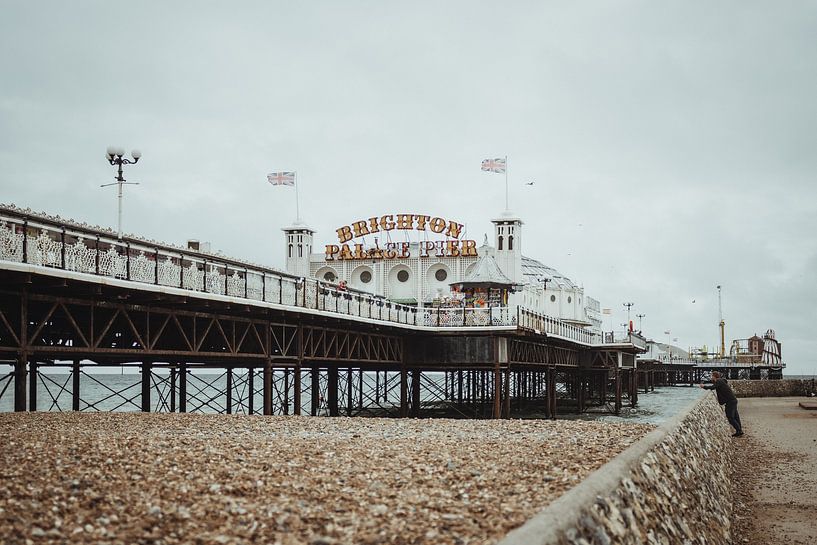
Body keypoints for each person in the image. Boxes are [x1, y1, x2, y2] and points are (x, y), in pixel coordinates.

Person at [698, 371, 743, 437]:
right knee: (736, 417)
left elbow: (713, 387)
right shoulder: (721, 381)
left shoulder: (719, 381)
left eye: (711, 376)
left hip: (730, 402)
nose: (711, 377)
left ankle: (739, 431)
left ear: (714, 376)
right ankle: (739, 430)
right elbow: (715, 385)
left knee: (730, 417)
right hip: (733, 400)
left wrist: (703, 386)